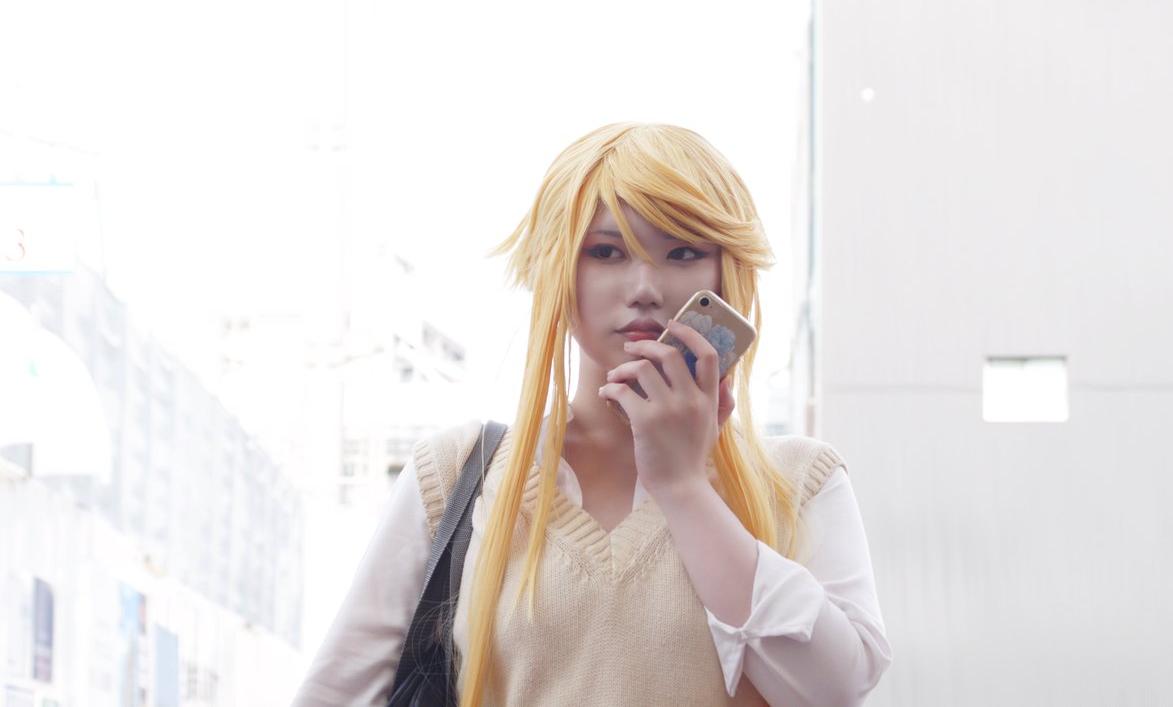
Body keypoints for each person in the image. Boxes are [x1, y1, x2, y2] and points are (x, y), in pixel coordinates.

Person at [291, 123, 892, 706]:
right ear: (557, 271)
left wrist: (684, 488)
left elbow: (835, 691)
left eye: (683, 251)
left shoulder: (800, 480)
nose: (645, 287)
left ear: (726, 274)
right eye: (606, 252)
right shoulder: (456, 472)